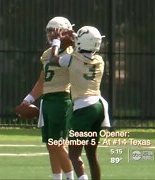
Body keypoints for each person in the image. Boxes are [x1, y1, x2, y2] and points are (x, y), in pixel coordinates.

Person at [49, 26, 109, 180]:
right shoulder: (100, 60)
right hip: (99, 107)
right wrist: (75, 36)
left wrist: (56, 40)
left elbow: (53, 59)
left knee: (74, 154)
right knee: (91, 155)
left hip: (84, 108)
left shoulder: (72, 59)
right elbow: (86, 44)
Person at [20, 17, 74, 180]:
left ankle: (72, 177)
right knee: (51, 145)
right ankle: (56, 178)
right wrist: (28, 99)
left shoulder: (73, 53)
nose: (51, 34)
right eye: (49, 30)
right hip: (47, 101)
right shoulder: (46, 54)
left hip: (62, 99)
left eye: (55, 30)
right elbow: (43, 80)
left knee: (57, 144)